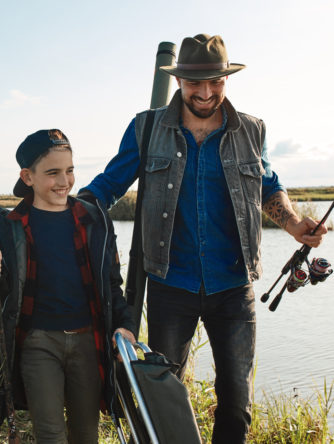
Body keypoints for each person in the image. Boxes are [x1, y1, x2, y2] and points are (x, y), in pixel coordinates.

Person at [79, 34, 327, 444]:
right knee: (165, 391)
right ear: (179, 81)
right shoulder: (146, 127)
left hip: (233, 285)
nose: (207, 92)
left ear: (226, 80)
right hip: (168, 283)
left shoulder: (251, 129)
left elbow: (268, 187)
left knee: (236, 399)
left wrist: (297, 225)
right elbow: (107, 186)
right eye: (196, 83)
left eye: (216, 82)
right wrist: (65, 213)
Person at [0, 129, 136, 443]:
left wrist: (126, 325)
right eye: (52, 173)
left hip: (88, 345)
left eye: (69, 171)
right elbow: (2, 300)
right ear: (28, 176)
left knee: (85, 433)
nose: (64, 181)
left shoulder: (95, 221)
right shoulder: (9, 227)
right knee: (50, 434)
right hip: (38, 344)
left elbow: (112, 286)